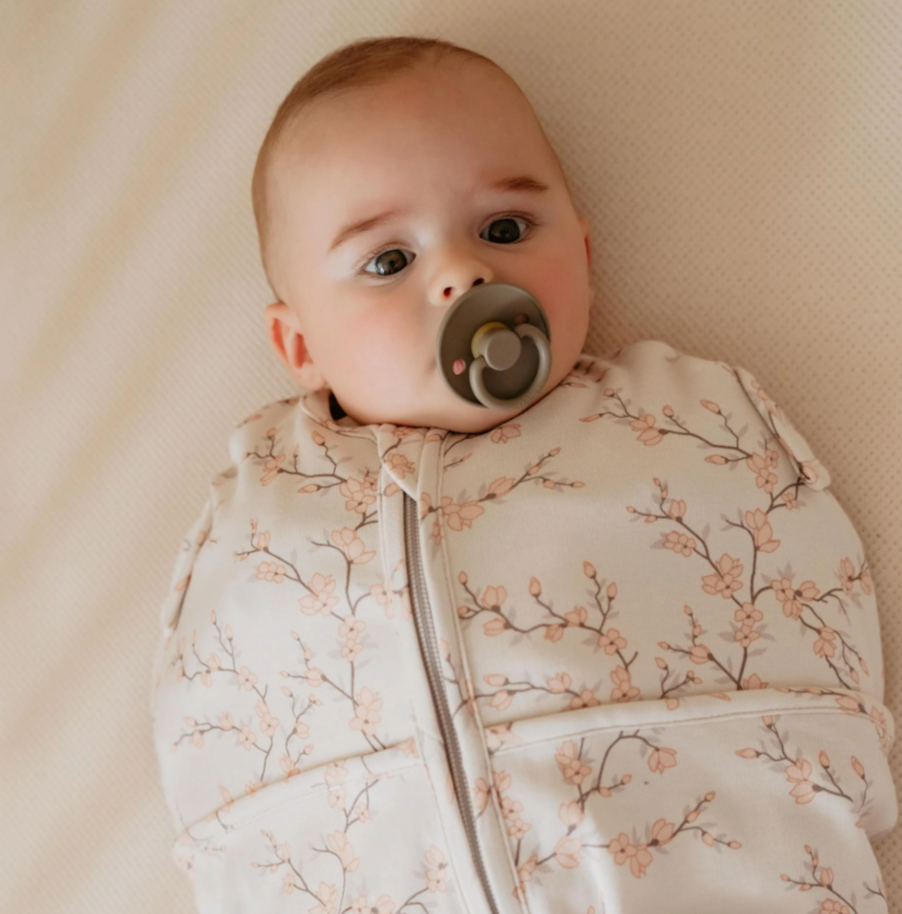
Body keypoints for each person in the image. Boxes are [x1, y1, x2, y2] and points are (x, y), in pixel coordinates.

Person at [150, 36, 896, 914]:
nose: (465, 273)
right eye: (389, 261)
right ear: (300, 344)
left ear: (583, 253)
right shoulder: (261, 507)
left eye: (504, 229)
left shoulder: (680, 419)